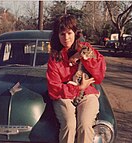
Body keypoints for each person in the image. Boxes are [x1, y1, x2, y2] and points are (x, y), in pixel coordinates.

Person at [46, 14, 106, 143]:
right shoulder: (54, 58)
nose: (66, 38)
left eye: (69, 33)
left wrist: (82, 57)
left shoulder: (85, 48)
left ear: (75, 33)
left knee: (85, 124)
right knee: (69, 125)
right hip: (64, 95)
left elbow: (99, 76)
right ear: (57, 35)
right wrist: (78, 88)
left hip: (87, 94)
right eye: (62, 34)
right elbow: (54, 87)